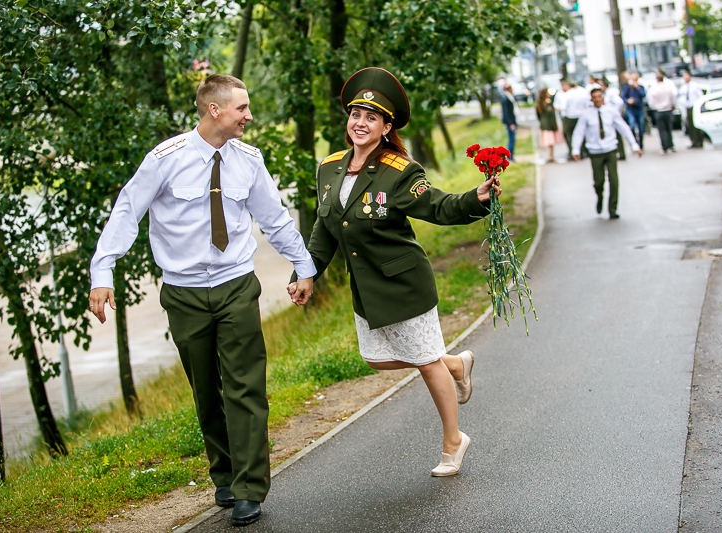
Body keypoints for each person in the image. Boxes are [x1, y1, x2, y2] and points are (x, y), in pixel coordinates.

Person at [89, 74, 317, 527]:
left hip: (235, 285)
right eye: (242, 109)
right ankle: (226, 474)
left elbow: (274, 218)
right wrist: (102, 271)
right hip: (185, 293)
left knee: (246, 386)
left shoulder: (249, 160)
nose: (249, 116)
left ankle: (252, 487)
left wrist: (304, 265)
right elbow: (127, 211)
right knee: (206, 390)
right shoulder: (165, 159)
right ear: (215, 110)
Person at [289, 67, 501, 477]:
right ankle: (454, 364)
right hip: (368, 289)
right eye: (356, 115)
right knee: (377, 360)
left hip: (404, 282)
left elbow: (438, 207)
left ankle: (454, 441)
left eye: (372, 117)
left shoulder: (399, 170)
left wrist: (476, 197)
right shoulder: (329, 169)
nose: (361, 123)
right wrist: (307, 272)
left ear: (386, 127)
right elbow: (325, 228)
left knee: (424, 362)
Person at [572, 87, 643, 219]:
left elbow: (623, 128)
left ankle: (612, 208)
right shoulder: (586, 114)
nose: (597, 99)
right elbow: (579, 132)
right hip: (595, 152)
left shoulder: (611, 112)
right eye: (595, 97)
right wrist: (575, 149)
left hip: (610, 149)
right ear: (591, 99)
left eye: (599, 96)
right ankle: (600, 197)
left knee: (614, 180)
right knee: (599, 182)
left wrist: (634, 145)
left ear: (603, 97)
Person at [647, 72, 677, 154]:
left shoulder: (654, 89)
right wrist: (672, 105)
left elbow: (651, 101)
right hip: (667, 109)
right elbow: (673, 97)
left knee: (661, 129)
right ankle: (671, 145)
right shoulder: (668, 88)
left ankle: (664, 146)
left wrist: (654, 107)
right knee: (668, 129)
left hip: (659, 110)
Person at [560, 78, 589, 159]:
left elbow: (563, 107)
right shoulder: (582, 92)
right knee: (580, 133)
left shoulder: (567, 94)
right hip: (581, 115)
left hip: (570, 116)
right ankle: (582, 151)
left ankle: (573, 152)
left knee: (568, 134)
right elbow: (587, 104)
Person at [598, 77, 626, 160]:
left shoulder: (610, 93)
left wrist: (614, 112)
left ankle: (621, 153)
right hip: (609, 117)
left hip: (612, 117)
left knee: (617, 135)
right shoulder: (606, 93)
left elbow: (619, 102)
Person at [677, 70, 704, 148]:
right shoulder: (684, 87)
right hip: (687, 106)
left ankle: (698, 140)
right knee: (689, 124)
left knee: (695, 124)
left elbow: (700, 95)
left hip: (694, 107)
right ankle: (693, 140)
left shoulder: (695, 85)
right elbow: (679, 94)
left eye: (686, 76)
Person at [536, 87, 564, 163]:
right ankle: (550, 156)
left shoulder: (540, 103)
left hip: (545, 125)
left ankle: (550, 156)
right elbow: (550, 114)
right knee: (550, 142)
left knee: (549, 142)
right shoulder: (547, 103)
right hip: (549, 125)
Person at [621, 71, 646, 149]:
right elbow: (623, 96)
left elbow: (643, 94)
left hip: (639, 109)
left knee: (641, 127)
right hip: (631, 109)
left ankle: (641, 144)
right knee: (632, 126)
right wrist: (628, 100)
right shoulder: (628, 87)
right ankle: (634, 142)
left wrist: (637, 87)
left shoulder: (640, 87)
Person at [501, 82, 518, 159]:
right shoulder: (506, 99)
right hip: (510, 123)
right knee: (511, 139)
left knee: (512, 139)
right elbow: (506, 113)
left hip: (512, 122)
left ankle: (511, 156)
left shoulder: (509, 97)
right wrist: (511, 123)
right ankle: (509, 157)